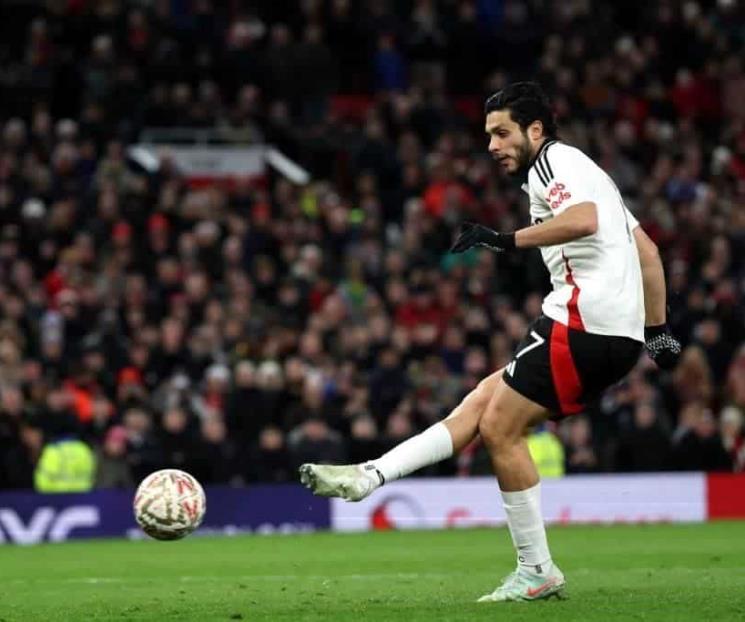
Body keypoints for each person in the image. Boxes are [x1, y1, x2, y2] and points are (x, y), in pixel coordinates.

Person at [299, 82, 682, 602]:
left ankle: (536, 569)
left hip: (582, 323)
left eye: (501, 133)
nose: (492, 145)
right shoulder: (595, 176)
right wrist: (657, 332)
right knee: (482, 401)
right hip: (612, 332)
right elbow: (649, 253)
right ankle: (371, 476)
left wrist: (502, 240)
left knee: (499, 429)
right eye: (488, 135)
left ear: (536, 130)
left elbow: (583, 221)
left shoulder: (554, 163)